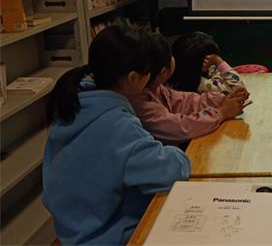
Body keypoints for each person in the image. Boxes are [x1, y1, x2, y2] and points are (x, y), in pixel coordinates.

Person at [42, 25, 190, 245]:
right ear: (133, 78)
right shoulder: (119, 125)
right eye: (148, 74)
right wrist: (179, 154)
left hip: (71, 230)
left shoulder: (73, 103)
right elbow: (172, 170)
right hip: (107, 235)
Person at [131, 33, 250, 146]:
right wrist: (222, 112)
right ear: (164, 71)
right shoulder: (141, 104)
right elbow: (179, 127)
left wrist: (223, 100)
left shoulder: (155, 87)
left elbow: (184, 101)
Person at [169, 31, 245, 94]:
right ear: (204, 64)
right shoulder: (205, 86)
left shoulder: (174, 80)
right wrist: (218, 61)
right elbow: (239, 90)